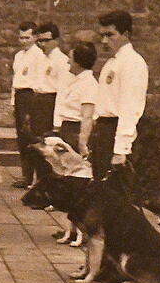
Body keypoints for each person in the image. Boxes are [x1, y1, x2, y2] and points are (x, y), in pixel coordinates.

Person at [90, 10, 148, 180]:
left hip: (115, 132)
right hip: (103, 130)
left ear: (126, 34)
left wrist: (121, 150)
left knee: (114, 193)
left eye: (110, 35)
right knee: (100, 184)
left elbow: (130, 109)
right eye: (102, 36)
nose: (104, 41)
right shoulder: (111, 62)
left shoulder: (133, 63)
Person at [32, 22, 71, 180]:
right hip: (39, 101)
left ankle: (49, 185)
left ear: (56, 40)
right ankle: (40, 183)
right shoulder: (41, 59)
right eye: (39, 41)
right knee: (38, 146)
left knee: (49, 147)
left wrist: (57, 120)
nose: (42, 45)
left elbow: (62, 91)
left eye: (46, 40)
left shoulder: (61, 60)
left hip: (51, 102)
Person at [10, 21, 45, 188]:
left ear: (35, 37)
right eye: (21, 37)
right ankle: (26, 175)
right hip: (19, 96)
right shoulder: (18, 56)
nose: (23, 41)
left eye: (27, 37)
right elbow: (15, 81)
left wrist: (34, 106)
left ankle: (36, 177)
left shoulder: (39, 56)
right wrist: (12, 102)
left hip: (30, 96)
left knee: (30, 136)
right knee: (21, 137)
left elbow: (39, 81)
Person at [52, 42, 98, 154]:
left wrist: (82, 143)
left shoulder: (89, 84)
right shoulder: (75, 81)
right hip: (67, 129)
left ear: (78, 62)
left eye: (70, 59)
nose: (68, 62)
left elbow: (88, 116)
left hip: (75, 132)